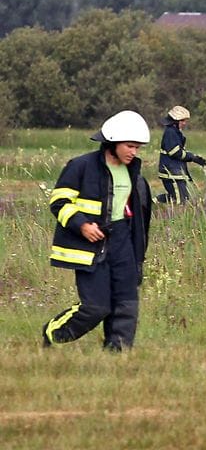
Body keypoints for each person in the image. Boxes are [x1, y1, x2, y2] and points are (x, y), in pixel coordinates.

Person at [42, 110, 153, 351]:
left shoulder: (134, 173)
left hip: (123, 241)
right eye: (130, 146)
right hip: (90, 245)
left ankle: (117, 353)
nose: (134, 152)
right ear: (112, 142)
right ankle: (54, 334)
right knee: (96, 307)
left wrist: (138, 253)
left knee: (126, 303)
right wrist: (82, 225)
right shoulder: (81, 166)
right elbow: (59, 201)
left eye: (137, 148)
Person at [156, 105, 205, 203]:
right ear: (175, 121)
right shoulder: (171, 132)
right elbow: (175, 152)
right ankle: (151, 204)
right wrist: (192, 157)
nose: (184, 123)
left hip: (175, 172)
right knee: (181, 201)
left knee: (175, 197)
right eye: (182, 121)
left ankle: (151, 203)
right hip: (171, 173)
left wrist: (194, 158)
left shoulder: (175, 132)